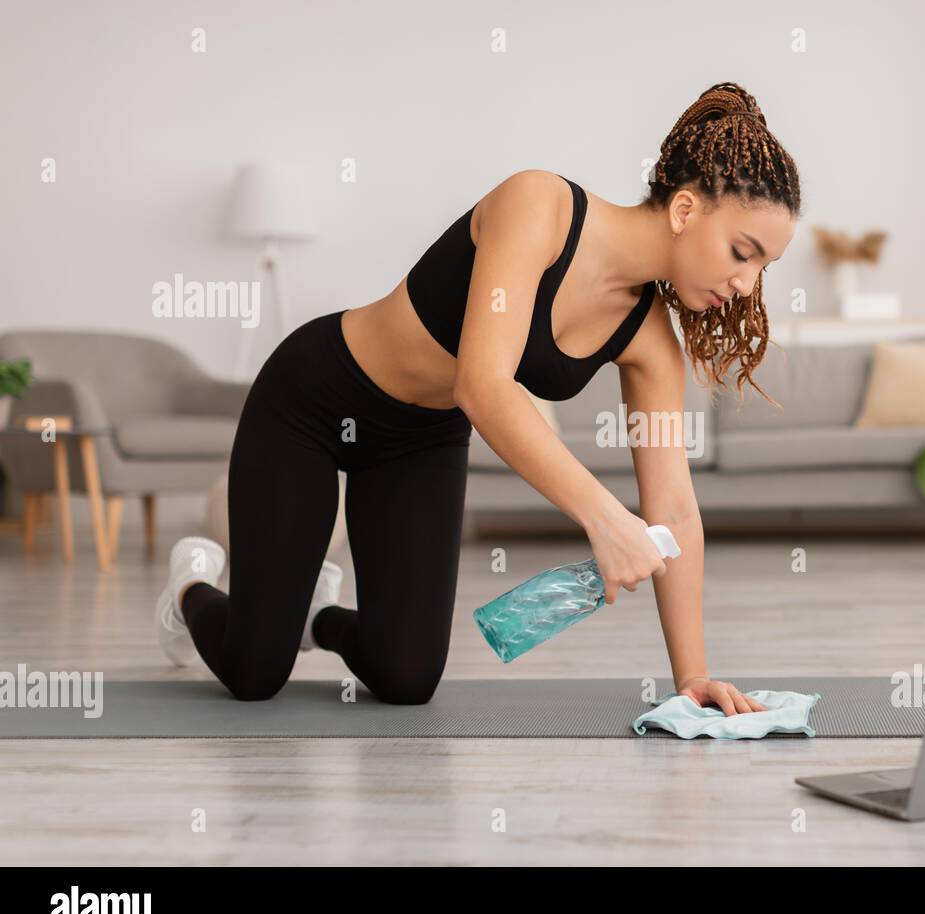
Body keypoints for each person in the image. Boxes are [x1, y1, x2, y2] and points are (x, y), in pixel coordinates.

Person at [154, 81, 800, 712]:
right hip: (314, 402)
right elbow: (482, 385)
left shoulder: (651, 344)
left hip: (420, 440)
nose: (746, 284)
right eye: (743, 253)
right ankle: (188, 587)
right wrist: (605, 519)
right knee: (254, 673)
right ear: (685, 210)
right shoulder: (539, 206)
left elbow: (676, 514)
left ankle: (317, 613)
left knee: (404, 678)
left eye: (762, 269)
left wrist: (693, 678)